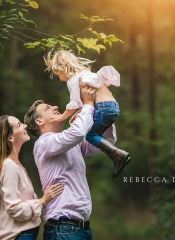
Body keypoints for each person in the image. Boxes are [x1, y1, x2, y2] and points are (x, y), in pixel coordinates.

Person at [23, 83, 116, 240]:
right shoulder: (43, 143)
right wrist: (86, 105)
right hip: (63, 229)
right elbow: (78, 133)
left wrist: (102, 113)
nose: (55, 107)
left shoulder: (69, 141)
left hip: (80, 229)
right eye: (47, 108)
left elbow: (107, 141)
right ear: (39, 122)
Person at [44, 49, 130, 178]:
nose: (60, 78)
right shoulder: (86, 74)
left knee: (90, 135)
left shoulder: (73, 80)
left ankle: (118, 154)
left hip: (102, 108)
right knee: (95, 133)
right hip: (112, 107)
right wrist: (77, 114)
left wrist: (60, 117)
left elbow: (73, 103)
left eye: (57, 74)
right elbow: (84, 102)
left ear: (62, 69)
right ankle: (116, 155)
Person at [0, 115, 64, 240]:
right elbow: (14, 209)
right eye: (19, 125)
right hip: (19, 236)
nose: (25, 125)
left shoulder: (16, 165)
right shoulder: (9, 166)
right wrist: (43, 201)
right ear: (10, 137)